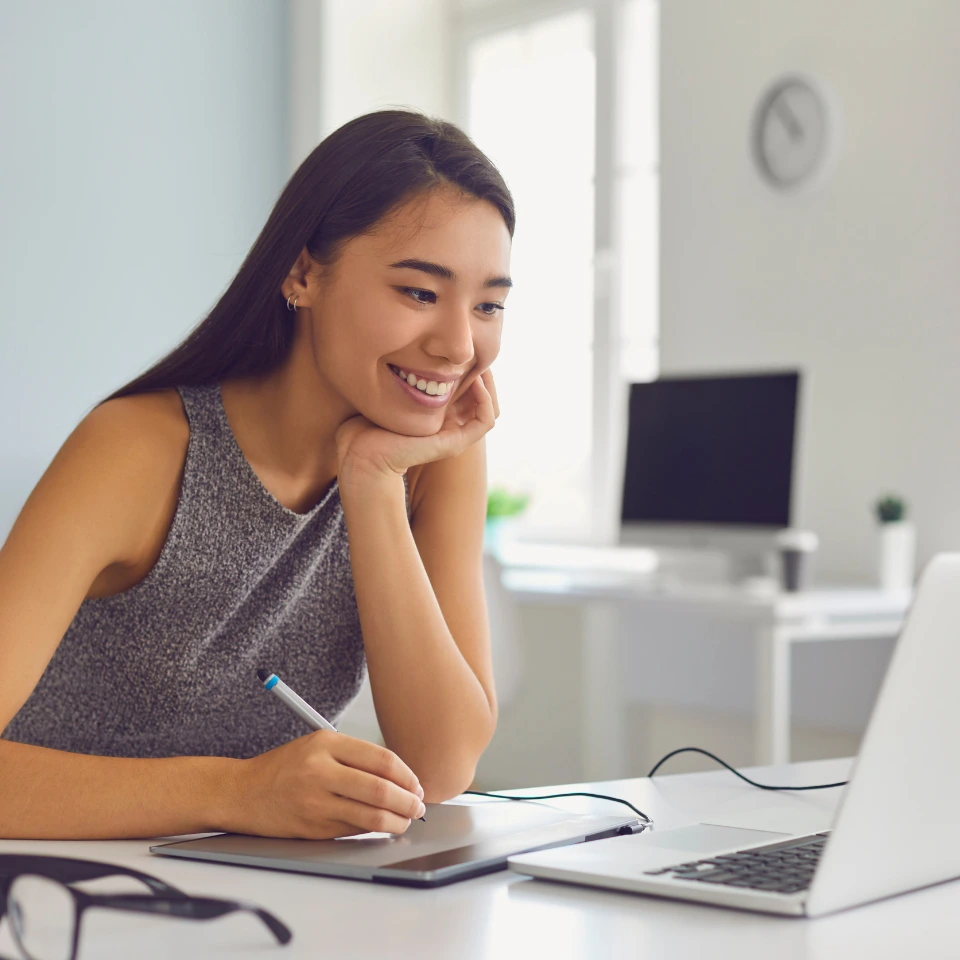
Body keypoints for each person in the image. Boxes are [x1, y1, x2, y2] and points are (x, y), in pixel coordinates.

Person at [0, 109, 514, 841]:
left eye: (489, 305)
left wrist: (370, 486)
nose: (459, 344)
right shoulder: (139, 449)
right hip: (51, 886)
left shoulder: (429, 456)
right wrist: (236, 791)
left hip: (239, 891)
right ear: (302, 273)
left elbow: (438, 764)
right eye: (420, 293)